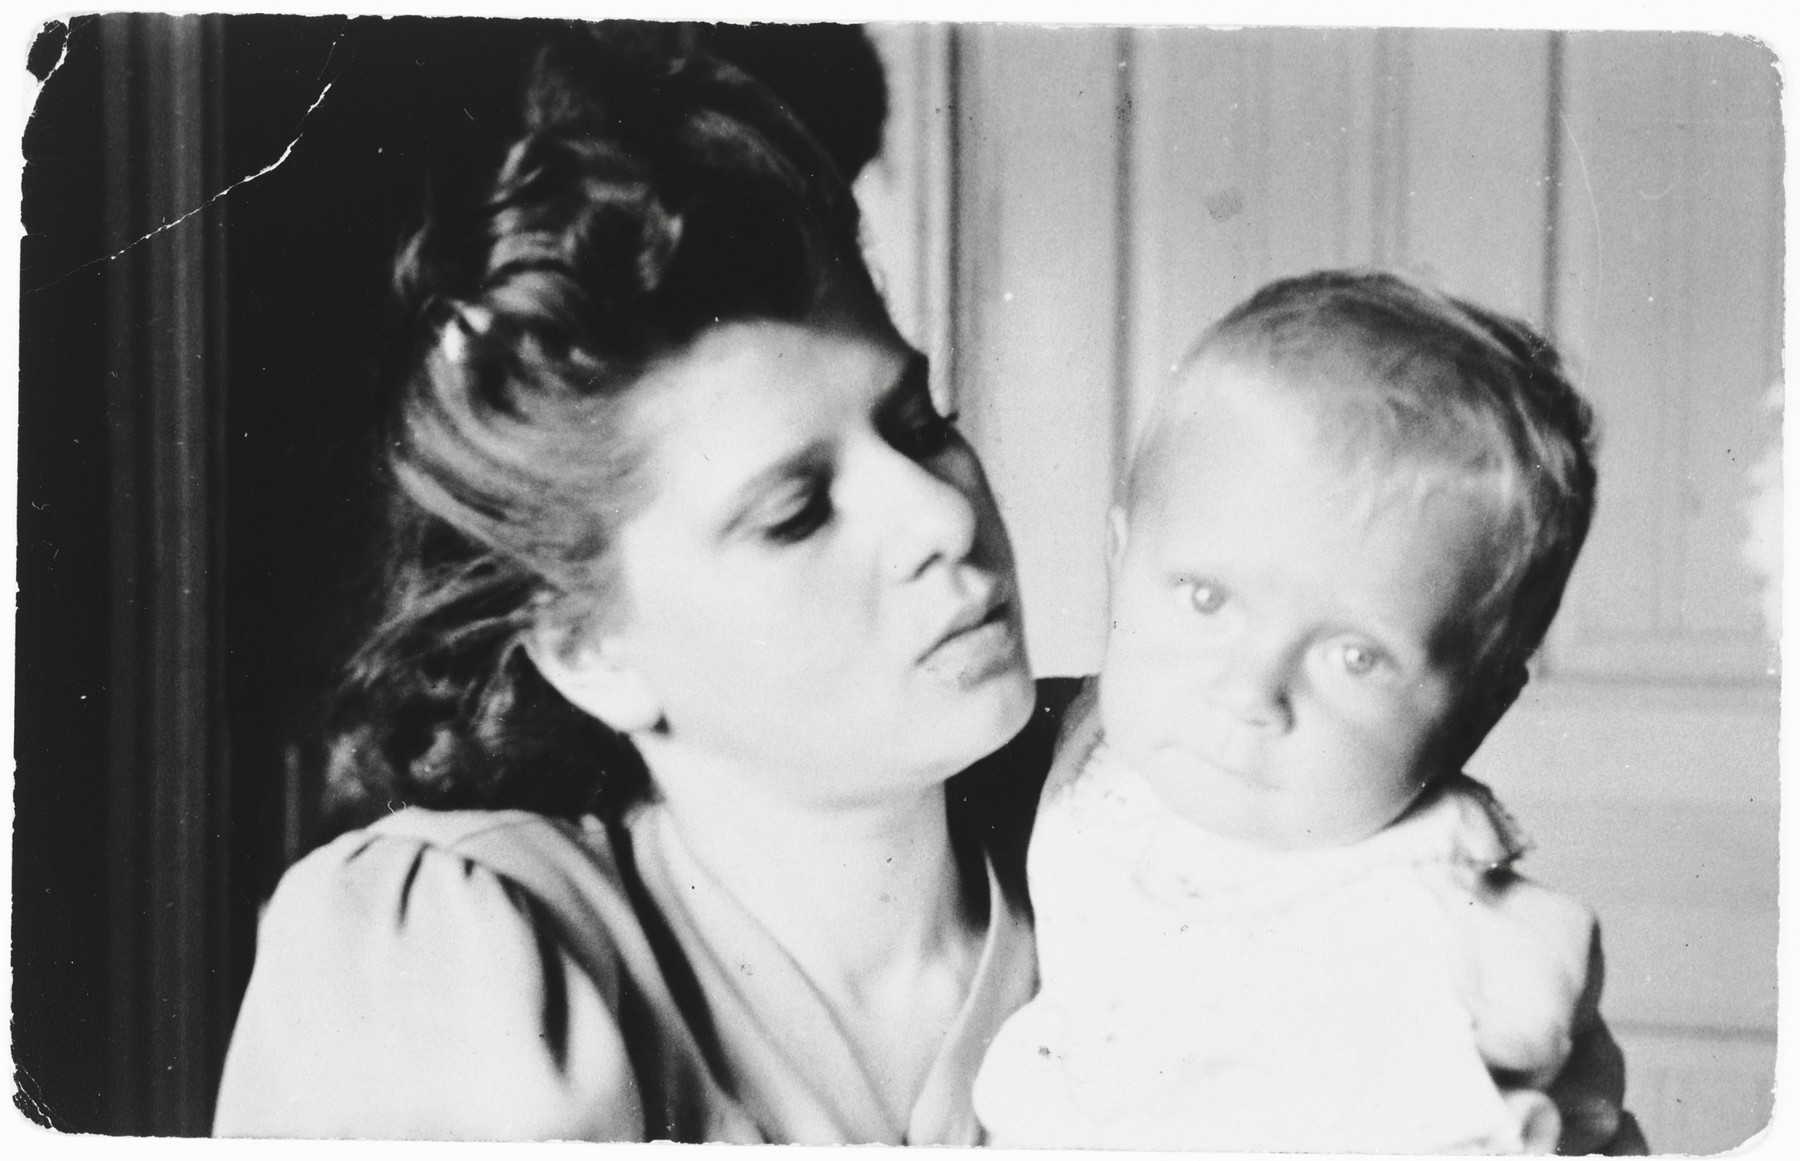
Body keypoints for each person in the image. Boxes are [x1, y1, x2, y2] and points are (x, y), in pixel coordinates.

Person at [212, 27, 1080, 1142]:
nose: (944, 514)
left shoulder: (1166, 829)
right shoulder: (464, 960)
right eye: (796, 513)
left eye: (918, 426)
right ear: (591, 650)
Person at [972, 271, 1646, 1153]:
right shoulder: (1087, 744)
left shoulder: (1440, 922)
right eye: (1207, 599)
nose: (1249, 692)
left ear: (1480, 709)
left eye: (1353, 656)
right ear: (1120, 558)